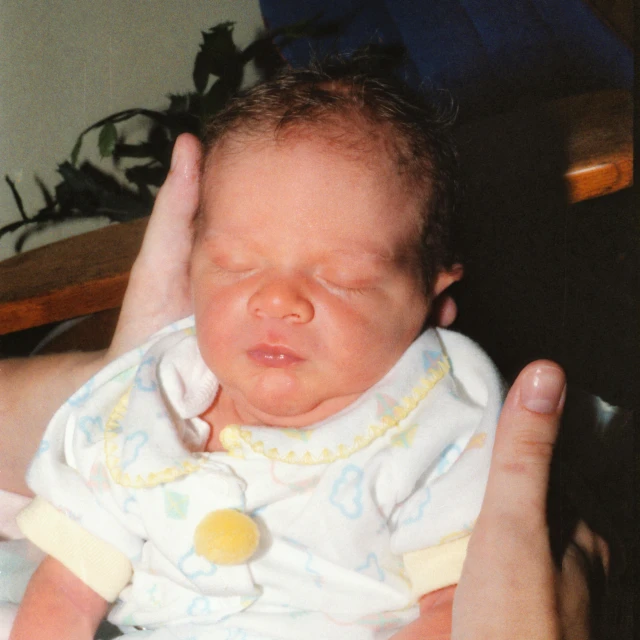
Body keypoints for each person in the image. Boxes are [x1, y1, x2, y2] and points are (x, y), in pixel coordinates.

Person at [2, 74, 598, 640]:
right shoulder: (138, 404)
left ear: (433, 297)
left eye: (342, 277)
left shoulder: (439, 425)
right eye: (235, 265)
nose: (278, 301)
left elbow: (458, 608)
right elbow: (64, 591)